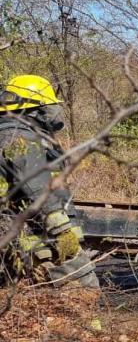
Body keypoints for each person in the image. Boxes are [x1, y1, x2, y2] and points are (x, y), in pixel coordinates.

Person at [0, 74, 97, 287]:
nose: (55, 111)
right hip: (35, 234)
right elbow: (37, 189)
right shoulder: (21, 139)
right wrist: (62, 232)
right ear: (37, 109)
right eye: (51, 105)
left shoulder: (8, 133)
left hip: (15, 236)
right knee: (82, 288)